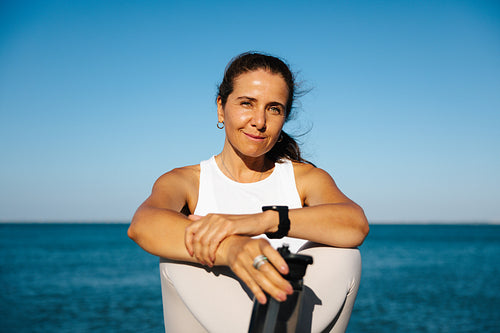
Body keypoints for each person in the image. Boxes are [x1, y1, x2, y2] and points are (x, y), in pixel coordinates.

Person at [128, 52, 369, 333]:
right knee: (179, 254)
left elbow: (355, 224)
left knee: (345, 254)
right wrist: (232, 249)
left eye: (274, 109)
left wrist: (261, 221)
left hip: (286, 319)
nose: (259, 121)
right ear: (221, 108)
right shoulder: (188, 180)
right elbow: (142, 226)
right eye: (247, 103)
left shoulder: (303, 178)